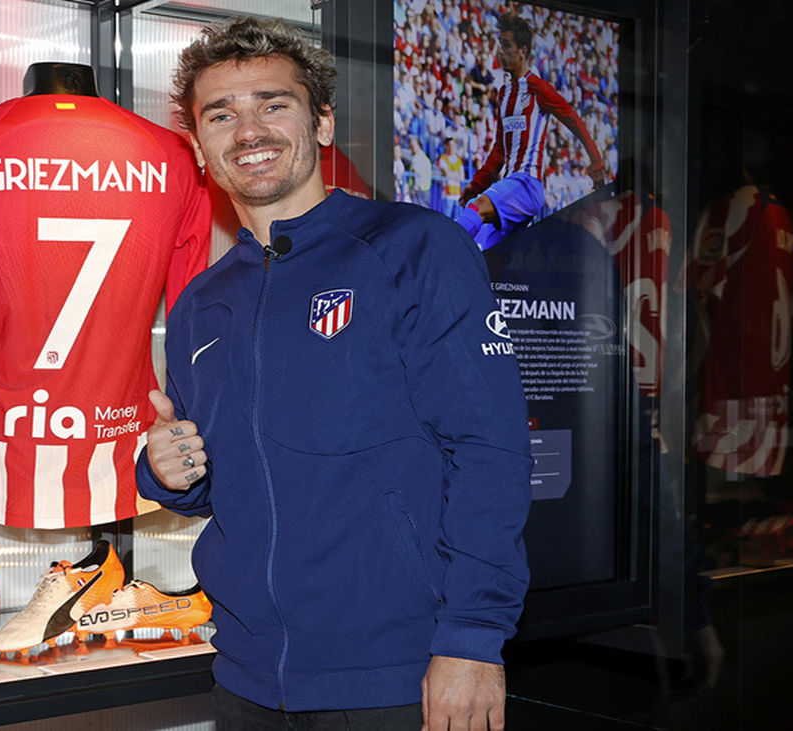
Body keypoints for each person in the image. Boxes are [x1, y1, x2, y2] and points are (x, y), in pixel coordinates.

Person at [135, 16, 532, 730]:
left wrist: (473, 638)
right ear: (199, 146)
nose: (248, 130)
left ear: (322, 123)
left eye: (273, 104)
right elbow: (222, 481)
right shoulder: (199, 303)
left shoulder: (413, 249)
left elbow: (491, 453)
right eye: (221, 114)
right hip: (247, 678)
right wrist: (170, 472)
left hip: (402, 674)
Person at [455, 12, 606, 250]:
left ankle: (438, 250)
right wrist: (476, 184)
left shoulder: (538, 89)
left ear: (522, 51)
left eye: (506, 45)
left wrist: (596, 165)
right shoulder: (504, 94)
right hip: (513, 189)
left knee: (476, 208)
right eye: (499, 44)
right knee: (484, 253)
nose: (499, 51)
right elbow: (499, 151)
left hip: (527, 184)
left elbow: (574, 120)